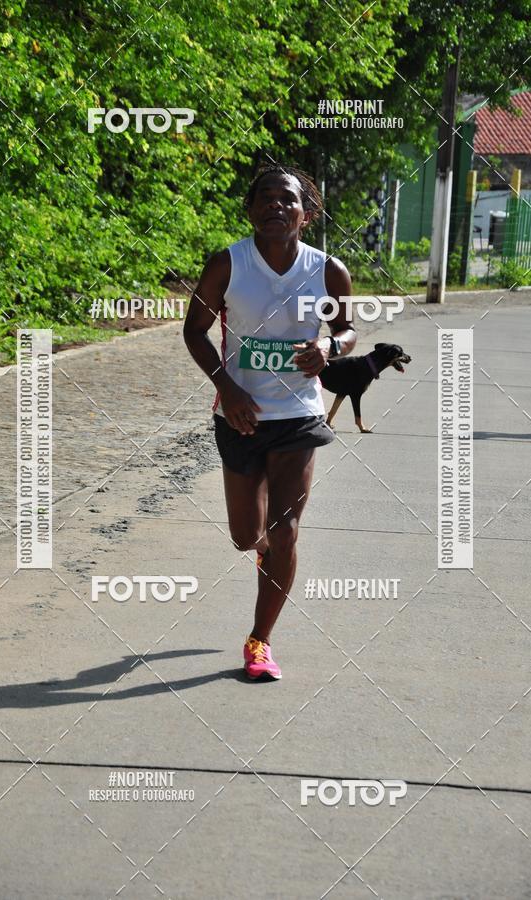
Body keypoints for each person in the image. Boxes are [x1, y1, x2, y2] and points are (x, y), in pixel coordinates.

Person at [183, 163, 356, 680]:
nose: (275, 207)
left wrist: (328, 346)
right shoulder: (227, 265)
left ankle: (260, 642)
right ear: (251, 209)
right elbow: (194, 331)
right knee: (246, 536)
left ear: (306, 213)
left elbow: (347, 330)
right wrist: (227, 386)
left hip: (299, 413)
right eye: (265, 199)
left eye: (288, 200)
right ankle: (261, 552)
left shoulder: (328, 269)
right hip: (240, 415)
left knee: (286, 533)